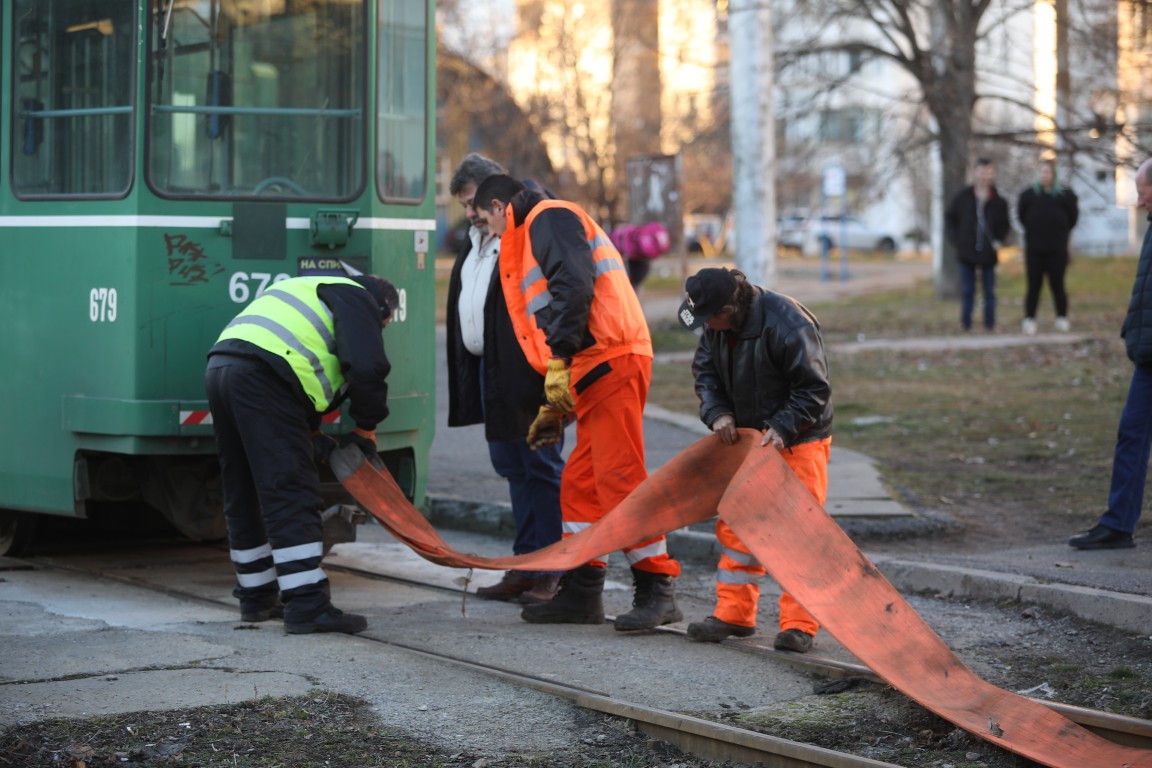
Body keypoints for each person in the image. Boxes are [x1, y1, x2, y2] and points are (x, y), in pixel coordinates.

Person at [472, 173, 682, 631]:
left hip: (609, 356)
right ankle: (583, 591)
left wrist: (561, 360)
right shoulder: (532, 232)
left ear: (497, 205)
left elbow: (575, 286)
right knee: (581, 486)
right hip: (596, 362)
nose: (486, 229)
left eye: (483, 217)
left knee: (619, 476)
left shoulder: (550, 217)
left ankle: (657, 587)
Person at [204, 273, 398, 634]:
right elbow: (366, 365)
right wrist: (366, 428)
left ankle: (257, 596)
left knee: (242, 487)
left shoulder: (308, 289)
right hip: (264, 376)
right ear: (382, 307)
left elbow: (298, 367)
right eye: (383, 325)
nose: (379, 330)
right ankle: (307, 603)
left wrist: (312, 436)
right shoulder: (358, 298)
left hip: (223, 367)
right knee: (289, 490)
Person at [677, 267, 833, 653]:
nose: (703, 328)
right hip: (747, 439)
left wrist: (781, 428)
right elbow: (705, 372)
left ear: (729, 309)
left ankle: (800, 624)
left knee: (799, 533)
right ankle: (734, 614)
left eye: (707, 320)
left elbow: (813, 390)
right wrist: (717, 413)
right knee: (737, 528)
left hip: (798, 440)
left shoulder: (788, 324)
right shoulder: (714, 326)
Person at [446, 153, 565, 604]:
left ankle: (552, 569)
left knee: (543, 467)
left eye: (475, 202)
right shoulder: (477, 238)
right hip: (489, 370)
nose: (471, 213)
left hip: (531, 370)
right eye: (464, 206)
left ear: (498, 194)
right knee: (513, 468)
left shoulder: (529, 230)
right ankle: (524, 563)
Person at [1068, 157, 1152, 551]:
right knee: (1130, 435)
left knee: (1132, 435)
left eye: (1142, 192)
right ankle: (1118, 524)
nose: (1139, 202)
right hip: (1147, 355)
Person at [945, 157, 1012, 332]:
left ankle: (989, 324)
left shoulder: (998, 201)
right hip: (967, 250)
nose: (985, 176)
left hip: (989, 252)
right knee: (968, 290)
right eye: (982, 172)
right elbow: (950, 219)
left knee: (989, 291)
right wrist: (956, 240)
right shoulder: (963, 197)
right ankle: (965, 323)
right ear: (975, 172)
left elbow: (1005, 224)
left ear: (993, 173)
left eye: (988, 172)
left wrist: (999, 240)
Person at [1017, 159, 1079, 335]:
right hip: (1034, 250)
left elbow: (1072, 219)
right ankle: (1029, 319)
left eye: (1048, 172)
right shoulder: (1028, 196)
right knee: (1033, 286)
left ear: (1054, 175)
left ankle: (1062, 317)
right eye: (1042, 172)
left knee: (1057, 284)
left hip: (1057, 249)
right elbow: (1021, 217)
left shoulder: (1065, 196)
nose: (1045, 176)